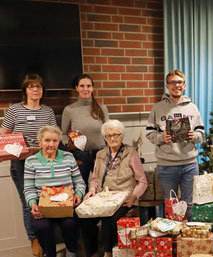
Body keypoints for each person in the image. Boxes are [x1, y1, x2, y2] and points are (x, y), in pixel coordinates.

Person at [1, 73, 57, 256]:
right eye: (31, 86)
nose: (35, 90)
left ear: (43, 90)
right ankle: (34, 238)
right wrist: (19, 148)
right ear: (25, 90)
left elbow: (55, 136)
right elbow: (4, 137)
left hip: (44, 162)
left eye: (38, 86)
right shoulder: (15, 110)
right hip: (21, 164)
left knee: (47, 200)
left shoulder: (48, 111)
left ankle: (47, 238)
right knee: (29, 202)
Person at [81, 119, 147, 257]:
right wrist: (92, 190)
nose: (112, 138)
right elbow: (94, 179)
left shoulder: (131, 153)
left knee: (109, 219)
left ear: (122, 135)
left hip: (124, 198)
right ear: (105, 137)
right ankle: (92, 253)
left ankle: (107, 252)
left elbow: (142, 181)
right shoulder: (100, 155)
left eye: (116, 135)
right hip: (103, 198)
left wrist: (133, 197)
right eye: (109, 135)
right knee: (85, 219)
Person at [146, 69, 205, 220]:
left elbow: (201, 133)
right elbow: (150, 134)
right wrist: (162, 137)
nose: (176, 85)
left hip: (190, 164)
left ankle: (187, 238)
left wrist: (195, 136)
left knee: (189, 204)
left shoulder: (192, 108)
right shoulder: (157, 108)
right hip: (166, 165)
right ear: (167, 86)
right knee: (170, 205)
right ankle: (171, 237)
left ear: (184, 85)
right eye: (172, 82)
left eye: (179, 82)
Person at [23, 126, 86, 257]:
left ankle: (71, 250)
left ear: (59, 142)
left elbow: (79, 182)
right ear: (39, 142)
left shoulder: (68, 157)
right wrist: (33, 204)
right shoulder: (31, 161)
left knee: (70, 224)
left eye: (55, 141)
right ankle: (50, 254)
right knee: (42, 227)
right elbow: (29, 189)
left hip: (67, 204)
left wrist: (78, 195)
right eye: (47, 140)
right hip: (43, 205)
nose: (51, 144)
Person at [61, 74, 109, 187]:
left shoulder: (102, 108)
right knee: (81, 187)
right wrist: (68, 145)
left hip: (101, 154)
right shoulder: (69, 110)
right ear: (77, 88)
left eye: (88, 86)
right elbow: (63, 134)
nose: (85, 89)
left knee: (103, 186)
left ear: (92, 88)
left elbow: (108, 132)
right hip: (80, 155)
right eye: (82, 86)